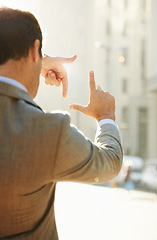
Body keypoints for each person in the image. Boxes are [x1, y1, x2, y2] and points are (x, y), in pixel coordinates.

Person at [0, 7, 123, 240]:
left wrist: (38, 60)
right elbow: (109, 163)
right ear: (35, 49)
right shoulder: (48, 132)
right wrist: (105, 116)